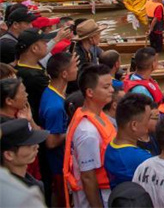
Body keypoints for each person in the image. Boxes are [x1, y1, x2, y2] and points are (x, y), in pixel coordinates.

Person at [64, 64, 117, 208]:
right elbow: (88, 177)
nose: (112, 90)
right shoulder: (87, 132)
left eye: (111, 85)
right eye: (106, 87)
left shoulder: (96, 114)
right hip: (98, 197)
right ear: (90, 92)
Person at [39, 51, 78, 208]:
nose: (77, 69)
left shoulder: (52, 92)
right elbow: (51, 141)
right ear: (64, 74)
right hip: (59, 166)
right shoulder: (55, 106)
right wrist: (73, 129)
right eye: (75, 66)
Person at [104, 93, 155, 189]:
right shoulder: (140, 158)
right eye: (148, 118)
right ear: (134, 125)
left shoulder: (111, 146)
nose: (150, 123)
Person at [14, 28, 54, 125]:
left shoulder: (27, 65)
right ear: (34, 48)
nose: (46, 45)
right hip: (41, 125)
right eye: (44, 42)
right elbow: (54, 97)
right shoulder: (32, 76)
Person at [0, 118, 49, 195]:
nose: (36, 146)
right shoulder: (13, 194)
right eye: (29, 145)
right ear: (9, 155)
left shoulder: (31, 184)